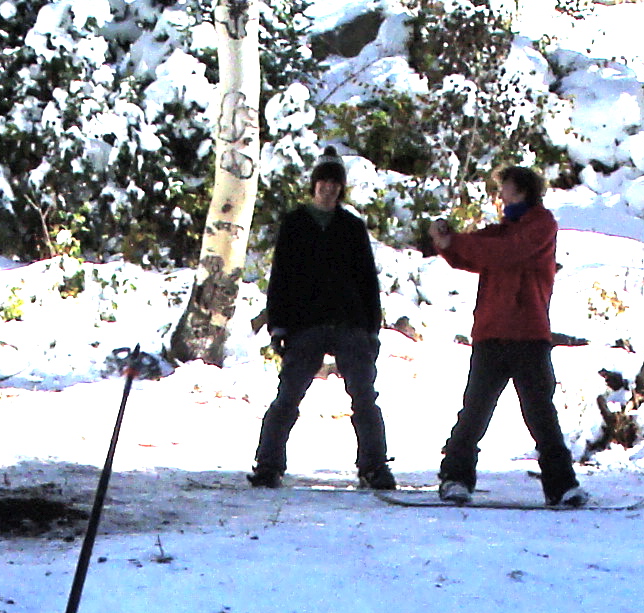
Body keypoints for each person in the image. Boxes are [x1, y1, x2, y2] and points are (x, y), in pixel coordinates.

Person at [429, 164, 583, 509]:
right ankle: (455, 478)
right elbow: (476, 251)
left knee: (540, 414)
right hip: (491, 334)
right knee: (475, 411)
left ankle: (561, 486)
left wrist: (455, 241)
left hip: (528, 335)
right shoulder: (504, 230)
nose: (500, 195)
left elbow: (503, 252)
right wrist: (448, 244)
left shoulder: (541, 226)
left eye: (505, 188)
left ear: (523, 191)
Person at [249, 155, 393, 493]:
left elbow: (367, 281)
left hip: (350, 321)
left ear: (341, 188)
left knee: (364, 397)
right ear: (314, 184)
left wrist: (372, 327)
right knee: (288, 396)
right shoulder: (296, 223)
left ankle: (374, 465)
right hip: (305, 323)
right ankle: (268, 465)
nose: (328, 189)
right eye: (323, 182)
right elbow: (281, 277)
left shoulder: (351, 226)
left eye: (335, 183)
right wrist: (279, 326)